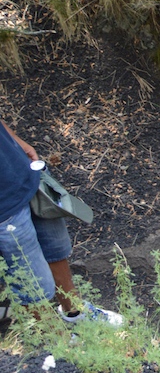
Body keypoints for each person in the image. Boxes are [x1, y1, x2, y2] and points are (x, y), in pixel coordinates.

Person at [0, 118, 123, 325]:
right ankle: (58, 345)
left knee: (56, 249)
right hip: (5, 208)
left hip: (22, 171)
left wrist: (15, 139)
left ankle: (74, 312)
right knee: (34, 284)